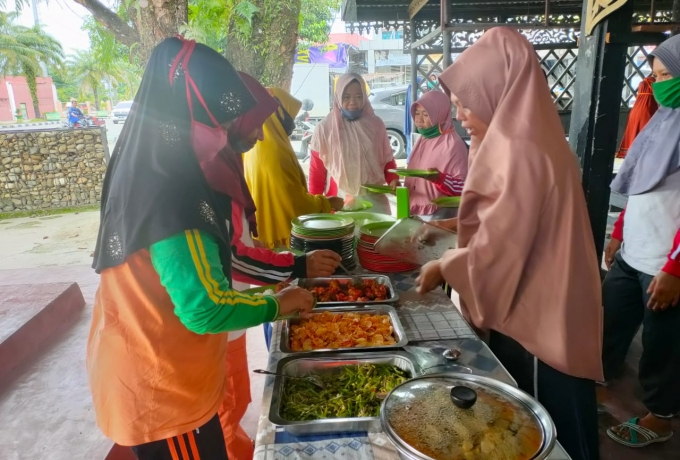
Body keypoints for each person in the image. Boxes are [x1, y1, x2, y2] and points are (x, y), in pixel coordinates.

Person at [86, 37, 317, 460]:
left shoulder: (144, 165)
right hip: (165, 391)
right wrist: (277, 304)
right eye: (221, 124)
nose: (227, 135)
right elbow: (205, 308)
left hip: (145, 367)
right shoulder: (173, 194)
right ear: (188, 113)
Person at [415, 27, 603, 460]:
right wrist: (449, 227)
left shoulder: (521, 151)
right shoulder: (520, 141)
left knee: (549, 429)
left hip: (540, 316)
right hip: (541, 301)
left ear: (498, 91)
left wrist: (446, 266)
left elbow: (501, 249)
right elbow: (507, 220)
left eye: (466, 102)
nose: (459, 114)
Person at [196, 70, 341, 458]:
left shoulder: (225, 162)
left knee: (235, 398)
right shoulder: (210, 171)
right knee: (224, 404)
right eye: (255, 124)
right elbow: (233, 255)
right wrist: (295, 270)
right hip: (218, 312)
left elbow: (241, 239)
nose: (260, 135)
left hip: (235, 302)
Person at [601, 34, 680, 448]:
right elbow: (641, 187)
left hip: (666, 265)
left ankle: (661, 416)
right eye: (654, 76)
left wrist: (674, 269)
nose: (659, 84)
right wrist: (618, 234)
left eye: (666, 75)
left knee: (661, 346)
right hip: (634, 252)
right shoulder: (661, 122)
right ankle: (602, 380)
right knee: (610, 320)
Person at [244, 87, 344, 250]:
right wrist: (326, 203)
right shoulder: (275, 151)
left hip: (262, 232)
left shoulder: (255, 144)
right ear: (277, 113)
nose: (292, 121)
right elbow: (295, 201)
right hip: (281, 237)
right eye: (290, 115)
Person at [309, 73, 399, 214]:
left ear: (364, 96)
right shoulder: (325, 128)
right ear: (338, 97)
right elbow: (317, 170)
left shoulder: (376, 125)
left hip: (374, 202)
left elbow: (387, 159)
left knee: (375, 235)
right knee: (345, 235)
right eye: (346, 97)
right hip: (340, 201)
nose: (353, 102)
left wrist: (393, 180)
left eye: (358, 96)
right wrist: (316, 205)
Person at [407, 90, 468, 219]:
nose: (419, 119)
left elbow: (463, 188)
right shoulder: (424, 138)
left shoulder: (453, 144)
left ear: (440, 115)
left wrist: (439, 178)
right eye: (416, 113)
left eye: (425, 114)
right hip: (414, 211)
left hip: (437, 216)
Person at [616, 75, 658, 159]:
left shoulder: (644, 82)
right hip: (647, 108)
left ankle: (633, 153)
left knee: (634, 130)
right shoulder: (653, 82)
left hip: (636, 109)